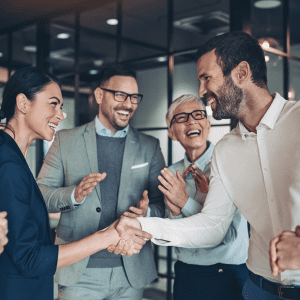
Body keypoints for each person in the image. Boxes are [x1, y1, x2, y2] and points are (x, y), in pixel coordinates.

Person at [115, 31, 300, 299]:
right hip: (258, 290)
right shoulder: (225, 150)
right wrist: (142, 226)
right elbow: (213, 226)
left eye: (206, 78)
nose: (202, 92)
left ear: (242, 73)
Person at [0, 66, 151, 300]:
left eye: (61, 106)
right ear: (23, 103)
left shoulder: (10, 154)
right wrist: (106, 236)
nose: (62, 115)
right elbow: (30, 259)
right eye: (53, 103)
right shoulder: (8, 164)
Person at [36, 64, 165, 300]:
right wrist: (73, 195)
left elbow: (161, 205)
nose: (128, 104)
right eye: (120, 95)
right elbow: (40, 196)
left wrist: (148, 213)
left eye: (134, 97)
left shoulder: (150, 146)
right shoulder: (65, 141)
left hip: (130, 272)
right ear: (98, 95)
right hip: (78, 272)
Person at [161, 93, 249, 299]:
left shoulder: (228, 165)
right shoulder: (171, 174)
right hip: (184, 274)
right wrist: (174, 212)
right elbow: (174, 236)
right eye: (181, 118)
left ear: (208, 125)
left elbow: (228, 236)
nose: (191, 120)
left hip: (226, 275)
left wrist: (184, 202)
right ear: (172, 132)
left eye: (198, 114)